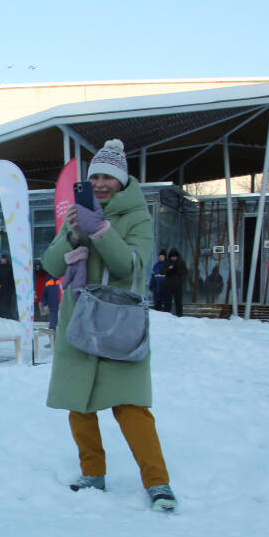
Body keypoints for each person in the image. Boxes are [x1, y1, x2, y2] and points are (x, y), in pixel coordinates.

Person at [40, 139, 177, 512]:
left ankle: (158, 482)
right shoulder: (78, 211)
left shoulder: (138, 216)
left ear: (122, 180)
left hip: (119, 322)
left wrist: (100, 230)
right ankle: (92, 473)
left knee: (131, 407)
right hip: (79, 320)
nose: (100, 184)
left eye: (108, 177)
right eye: (95, 177)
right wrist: (72, 236)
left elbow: (129, 267)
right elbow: (52, 266)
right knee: (79, 404)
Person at [160, 248, 187, 317]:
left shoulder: (181, 262)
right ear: (170, 257)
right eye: (172, 257)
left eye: (175, 257)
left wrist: (178, 269)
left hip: (178, 285)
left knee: (178, 301)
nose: (173, 258)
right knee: (167, 302)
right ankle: (167, 316)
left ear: (177, 256)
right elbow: (162, 272)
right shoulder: (167, 262)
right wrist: (169, 269)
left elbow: (185, 272)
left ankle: (179, 316)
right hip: (168, 285)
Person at [0, 252, 17, 320]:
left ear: (7, 260)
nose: (3, 260)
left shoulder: (10, 268)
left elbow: (12, 280)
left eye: (5, 259)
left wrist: (11, 290)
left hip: (7, 290)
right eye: (2, 259)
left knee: (7, 304)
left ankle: (7, 318)